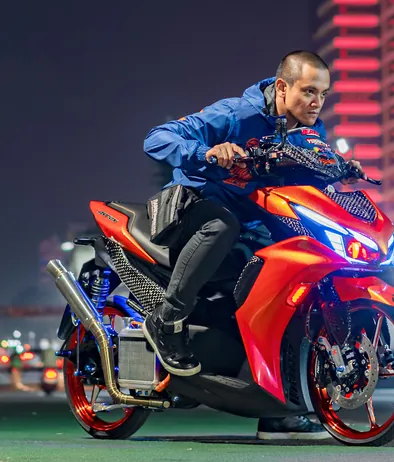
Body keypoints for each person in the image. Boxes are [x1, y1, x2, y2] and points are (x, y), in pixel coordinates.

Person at [142, 50, 365, 440]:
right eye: (309, 91)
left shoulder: (312, 134)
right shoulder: (235, 114)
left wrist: (340, 171)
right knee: (222, 225)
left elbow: (308, 185)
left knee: (294, 282)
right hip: (198, 206)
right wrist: (207, 152)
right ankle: (167, 318)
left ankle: (278, 409)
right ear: (282, 87)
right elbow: (157, 138)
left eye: (323, 94)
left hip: (254, 220)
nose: (317, 102)